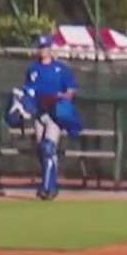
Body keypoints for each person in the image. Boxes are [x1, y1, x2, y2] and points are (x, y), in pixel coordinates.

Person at [24, 34, 78, 200]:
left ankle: (47, 188)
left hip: (55, 113)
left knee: (49, 148)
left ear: (51, 49)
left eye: (46, 47)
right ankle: (51, 184)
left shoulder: (60, 68)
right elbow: (28, 91)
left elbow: (71, 89)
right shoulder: (33, 69)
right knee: (43, 151)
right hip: (39, 112)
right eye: (41, 48)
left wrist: (63, 99)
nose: (43, 51)